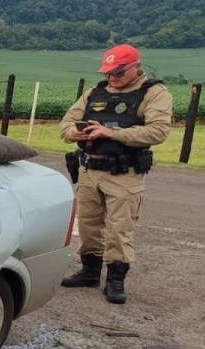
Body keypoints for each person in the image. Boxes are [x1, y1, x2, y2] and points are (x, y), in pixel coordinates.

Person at [59, 44, 172, 305]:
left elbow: (158, 131)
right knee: (87, 225)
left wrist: (112, 133)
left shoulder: (153, 93)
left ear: (135, 67)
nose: (112, 78)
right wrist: (73, 133)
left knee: (120, 229)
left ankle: (115, 280)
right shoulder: (95, 92)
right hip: (89, 169)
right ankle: (89, 272)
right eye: (109, 73)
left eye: (119, 73)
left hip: (124, 172)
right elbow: (66, 122)